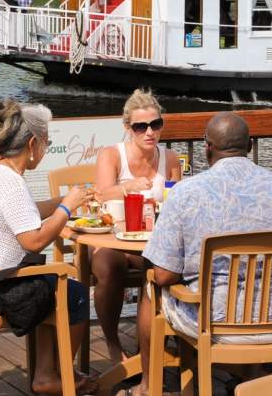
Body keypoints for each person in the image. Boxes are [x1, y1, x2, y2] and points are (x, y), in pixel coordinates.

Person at [134, 112, 272, 395]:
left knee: (150, 288)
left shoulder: (186, 193)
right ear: (251, 145)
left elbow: (163, 274)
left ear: (207, 147)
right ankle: (249, 378)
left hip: (216, 325)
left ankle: (148, 387)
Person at [0, 98, 98, 395]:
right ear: (32, 144)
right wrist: (67, 210)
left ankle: (47, 374)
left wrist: (64, 201)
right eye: (46, 142)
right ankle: (55, 375)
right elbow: (33, 239)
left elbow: (24, 212)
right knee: (75, 293)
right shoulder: (10, 182)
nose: (46, 149)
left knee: (47, 278)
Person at [93, 89, 180, 363]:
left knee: (168, 269)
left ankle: (153, 346)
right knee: (110, 267)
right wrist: (126, 186)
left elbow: (176, 201)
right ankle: (112, 342)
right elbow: (100, 194)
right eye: (141, 126)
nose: (149, 132)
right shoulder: (112, 155)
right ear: (128, 128)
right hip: (112, 239)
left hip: (152, 242)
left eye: (155, 124)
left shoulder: (171, 159)